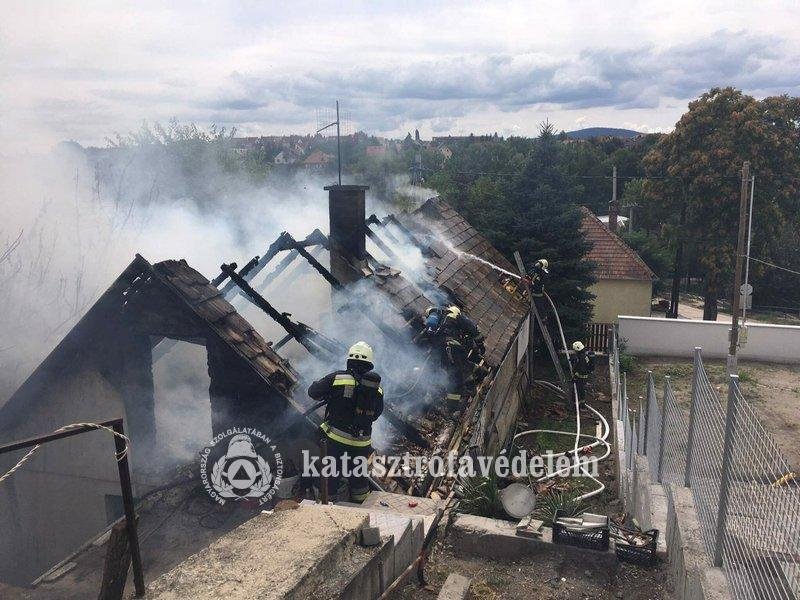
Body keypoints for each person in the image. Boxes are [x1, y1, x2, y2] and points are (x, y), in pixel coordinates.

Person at [307, 341, 383, 503]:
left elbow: (313, 392)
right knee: (359, 481)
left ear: (349, 360)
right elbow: (376, 414)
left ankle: (326, 511)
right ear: (369, 364)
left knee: (330, 479)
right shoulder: (377, 389)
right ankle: (360, 510)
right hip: (362, 444)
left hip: (335, 442)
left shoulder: (338, 378)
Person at [422, 305, 485, 413]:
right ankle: (452, 407)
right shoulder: (455, 316)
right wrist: (480, 344)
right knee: (456, 378)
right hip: (453, 348)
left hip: (441, 352)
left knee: (462, 366)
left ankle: (481, 374)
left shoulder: (439, 321)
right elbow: (473, 329)